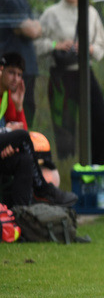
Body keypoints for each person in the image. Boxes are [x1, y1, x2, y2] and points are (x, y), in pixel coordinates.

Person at [36, 0, 104, 164]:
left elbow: (101, 44)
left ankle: (97, 168)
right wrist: (56, 45)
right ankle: (65, 170)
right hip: (61, 75)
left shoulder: (90, 12)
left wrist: (88, 48)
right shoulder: (51, 13)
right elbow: (36, 43)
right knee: (64, 127)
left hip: (84, 72)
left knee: (100, 122)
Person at [0, 54, 78, 207]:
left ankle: (22, 213)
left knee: (24, 159)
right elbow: (16, 134)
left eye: (19, 75)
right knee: (22, 137)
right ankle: (42, 188)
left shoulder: (6, 95)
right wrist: (7, 132)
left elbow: (21, 132)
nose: (15, 79)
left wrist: (19, 106)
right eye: (11, 73)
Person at [0, 0, 41, 125]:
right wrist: (31, 26)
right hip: (11, 70)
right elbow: (32, 30)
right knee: (14, 119)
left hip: (26, 67)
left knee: (27, 114)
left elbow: (36, 28)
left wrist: (32, 26)